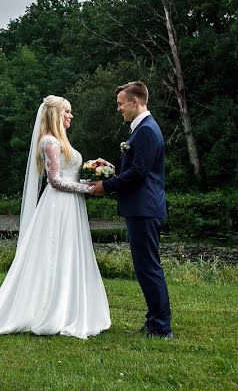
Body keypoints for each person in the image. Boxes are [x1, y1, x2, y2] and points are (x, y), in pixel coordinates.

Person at [0, 95, 111, 339]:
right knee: (55, 253)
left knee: (68, 254)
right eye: (67, 112)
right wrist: (90, 188)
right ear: (56, 115)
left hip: (71, 205)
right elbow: (55, 181)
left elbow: (68, 174)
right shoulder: (49, 141)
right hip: (59, 206)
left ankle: (67, 308)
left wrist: (91, 171)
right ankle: (50, 311)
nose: (71, 116)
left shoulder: (60, 141)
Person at [91, 81, 173, 339]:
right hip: (141, 207)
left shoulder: (147, 130)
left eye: (120, 104)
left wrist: (104, 185)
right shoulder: (142, 130)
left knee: (149, 267)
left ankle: (161, 326)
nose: (119, 109)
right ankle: (154, 320)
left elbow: (139, 174)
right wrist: (113, 169)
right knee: (145, 267)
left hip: (144, 208)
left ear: (135, 101)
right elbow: (137, 168)